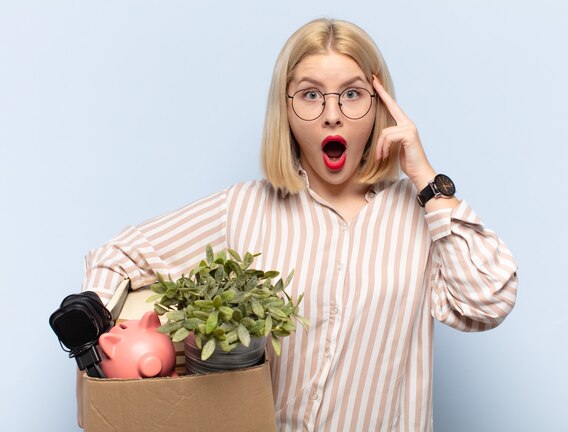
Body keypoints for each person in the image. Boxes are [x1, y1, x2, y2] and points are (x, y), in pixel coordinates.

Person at [80, 18, 518, 431]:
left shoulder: (420, 214)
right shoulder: (244, 208)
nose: (332, 115)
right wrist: (96, 332)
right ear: (285, 111)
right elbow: (117, 257)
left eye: (352, 94)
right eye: (311, 95)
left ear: (379, 106)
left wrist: (426, 179)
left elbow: (487, 302)